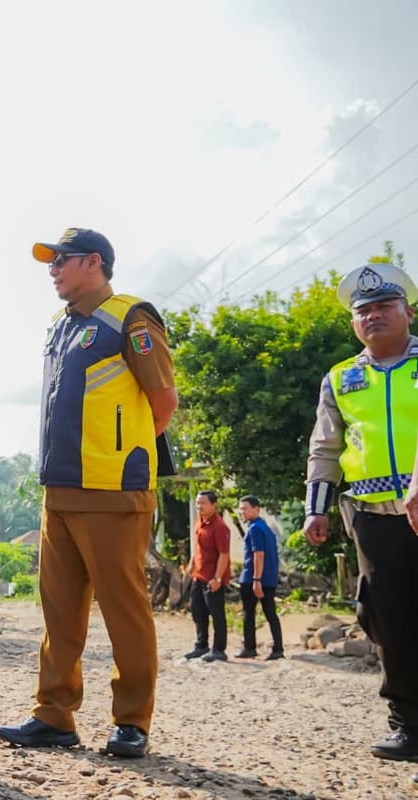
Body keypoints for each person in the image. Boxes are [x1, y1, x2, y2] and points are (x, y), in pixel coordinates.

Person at [0, 228, 176, 759]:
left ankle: (131, 722)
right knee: (60, 612)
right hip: (60, 488)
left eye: (61, 261)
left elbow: (162, 402)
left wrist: (122, 455)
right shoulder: (61, 326)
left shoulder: (130, 318)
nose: (52, 270)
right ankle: (54, 716)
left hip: (113, 487)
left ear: (94, 263)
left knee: (124, 608)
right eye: (49, 263)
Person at [309, 263, 418, 762]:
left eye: (384, 307)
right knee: (387, 619)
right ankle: (408, 726)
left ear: (408, 312)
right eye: (363, 311)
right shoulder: (341, 378)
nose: (373, 316)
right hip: (374, 518)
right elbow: (324, 449)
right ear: (354, 323)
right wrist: (317, 510)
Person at [185, 490, 231, 663]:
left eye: (203, 503)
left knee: (216, 613)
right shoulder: (199, 521)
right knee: (197, 610)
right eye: (198, 503)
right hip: (199, 574)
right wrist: (192, 563)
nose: (199, 507)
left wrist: (218, 578)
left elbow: (224, 555)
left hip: (213, 577)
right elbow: (197, 544)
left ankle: (219, 649)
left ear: (213, 505)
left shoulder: (220, 526)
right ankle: (201, 645)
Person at [235, 495, 283, 660]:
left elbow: (258, 555)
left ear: (256, 509)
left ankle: (250, 647)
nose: (242, 512)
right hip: (268, 577)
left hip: (254, 577)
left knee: (250, 613)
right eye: (241, 509)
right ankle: (278, 648)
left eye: (245, 508)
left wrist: (256, 579)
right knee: (270, 613)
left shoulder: (255, 528)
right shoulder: (265, 527)